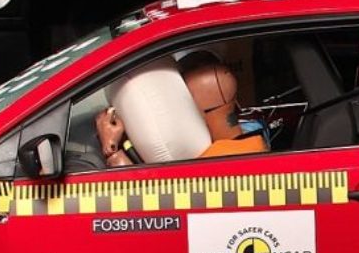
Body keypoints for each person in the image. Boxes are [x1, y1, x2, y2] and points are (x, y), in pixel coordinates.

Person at [94, 51, 267, 167]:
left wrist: (111, 150)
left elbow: (151, 200)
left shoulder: (218, 162)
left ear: (195, 110)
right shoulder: (255, 140)